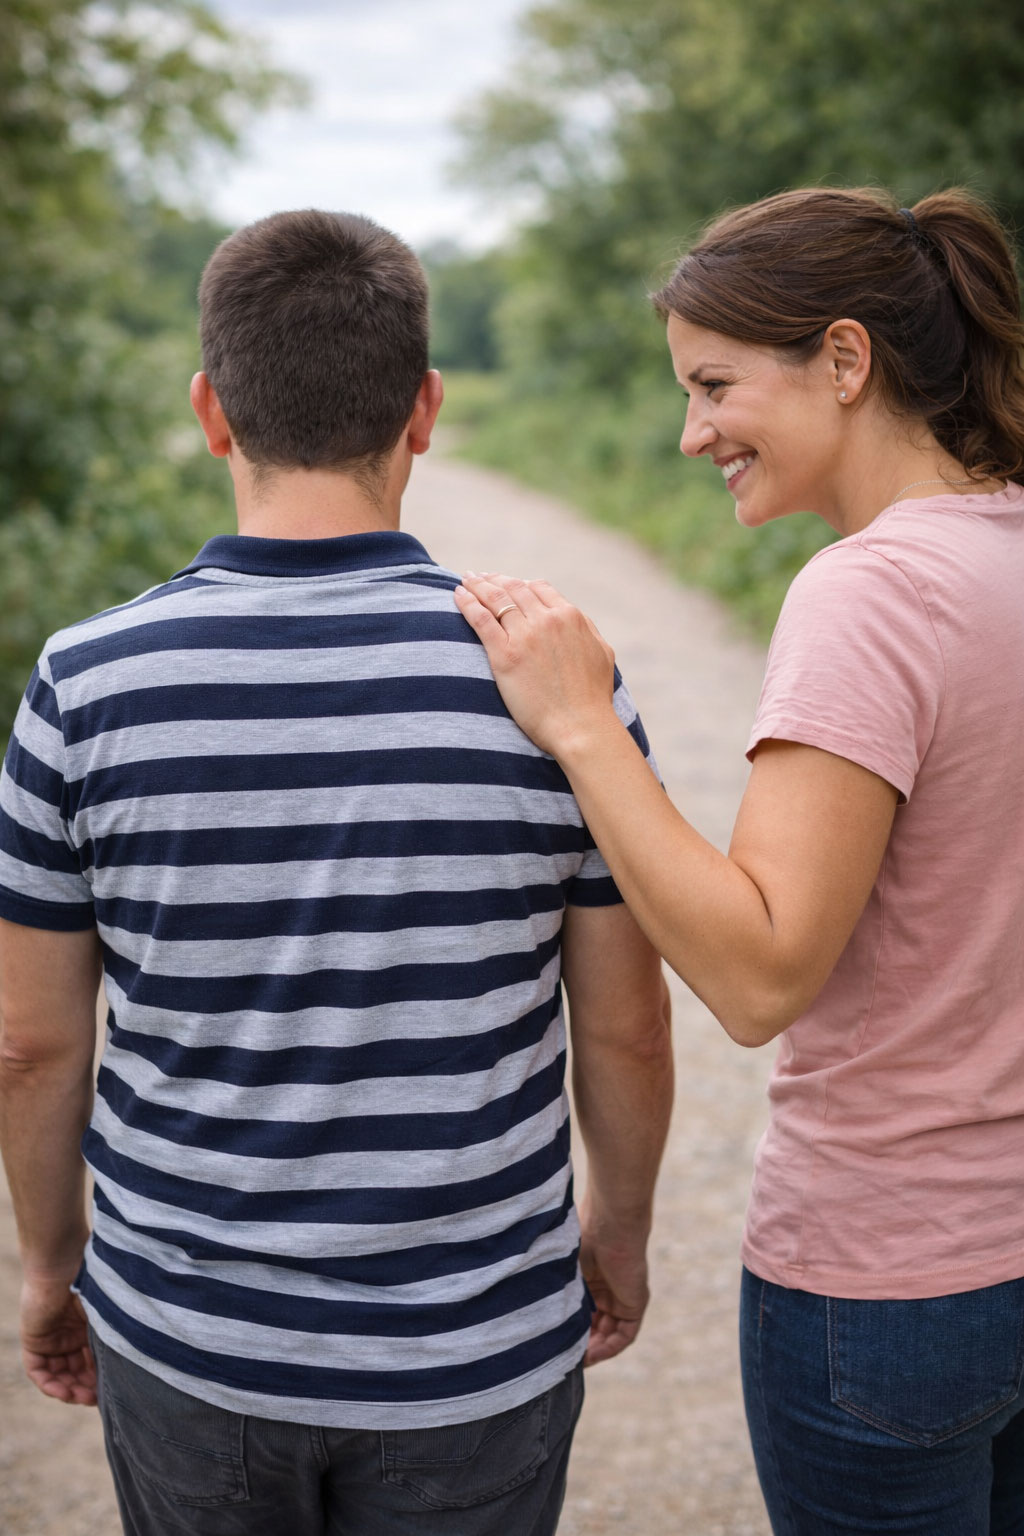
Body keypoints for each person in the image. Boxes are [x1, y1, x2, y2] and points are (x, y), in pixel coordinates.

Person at [0, 209, 673, 1536]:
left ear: (209, 410)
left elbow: (29, 1042)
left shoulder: (83, 684)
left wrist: (50, 1263)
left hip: (189, 1339)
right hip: (476, 1346)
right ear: (424, 409)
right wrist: (619, 1239)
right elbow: (627, 1023)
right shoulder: (555, 682)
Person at [455, 185, 1024, 1535]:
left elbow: (760, 976)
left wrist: (585, 726)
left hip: (892, 1284)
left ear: (843, 359)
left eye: (714, 385)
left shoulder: (873, 589)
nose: (689, 430)